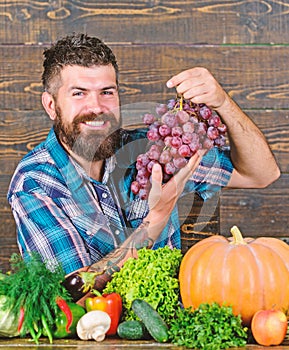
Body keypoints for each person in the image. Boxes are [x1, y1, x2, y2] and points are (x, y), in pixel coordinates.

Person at [7, 33, 280, 299]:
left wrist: (223, 103)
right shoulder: (35, 182)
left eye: (107, 92)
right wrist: (156, 219)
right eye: (78, 93)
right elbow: (72, 296)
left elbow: (261, 174)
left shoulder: (154, 151)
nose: (97, 106)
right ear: (51, 105)